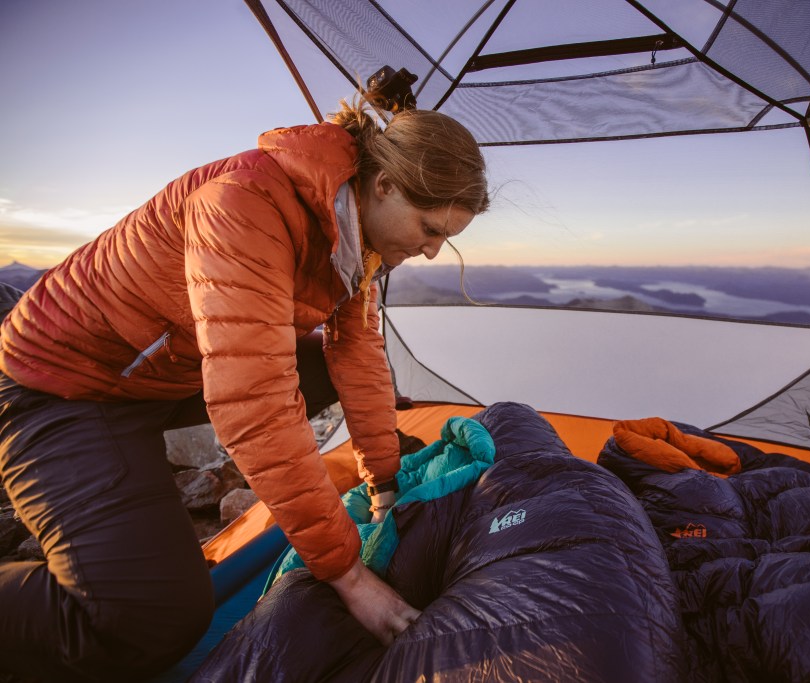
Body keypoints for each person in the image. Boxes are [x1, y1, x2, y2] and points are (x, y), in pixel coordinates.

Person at [0, 88, 489, 682]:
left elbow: (358, 355)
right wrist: (348, 576)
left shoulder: (356, 238)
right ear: (383, 185)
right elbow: (253, 398)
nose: (434, 251)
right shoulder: (245, 202)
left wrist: (382, 479)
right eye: (430, 228)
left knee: (342, 372)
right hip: (64, 384)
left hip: (159, 371)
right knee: (153, 618)